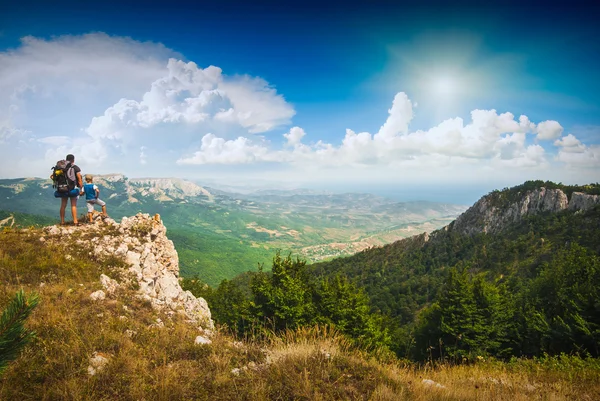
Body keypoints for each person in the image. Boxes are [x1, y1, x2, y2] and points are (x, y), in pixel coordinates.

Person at [51, 154, 83, 225]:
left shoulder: (59, 167)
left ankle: (62, 222)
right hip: (72, 189)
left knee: (63, 205)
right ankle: (75, 222)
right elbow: (79, 179)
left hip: (62, 188)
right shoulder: (75, 167)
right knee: (73, 205)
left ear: (66, 159)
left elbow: (53, 177)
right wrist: (81, 189)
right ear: (73, 160)